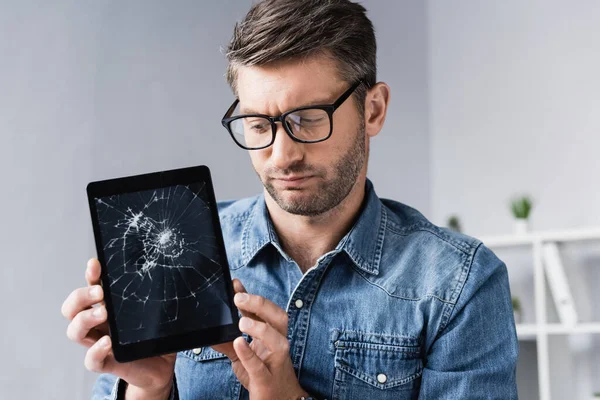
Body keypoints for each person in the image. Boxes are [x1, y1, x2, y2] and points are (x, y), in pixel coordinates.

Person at [61, 0, 519, 398]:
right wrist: (148, 389)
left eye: (307, 119)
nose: (283, 155)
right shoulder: (190, 251)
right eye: (259, 125)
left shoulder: (460, 286)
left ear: (373, 110)